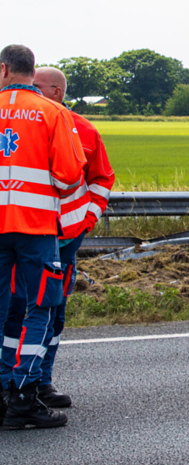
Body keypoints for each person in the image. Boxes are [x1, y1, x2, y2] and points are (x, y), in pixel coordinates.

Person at [1, 67, 114, 411]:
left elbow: (101, 179)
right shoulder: (37, 116)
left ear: (56, 92)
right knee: (21, 309)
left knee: (52, 312)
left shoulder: (83, 129)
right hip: (33, 231)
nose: (30, 91)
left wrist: (85, 220)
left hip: (62, 237)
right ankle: (16, 385)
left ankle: (40, 381)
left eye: (37, 86)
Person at [0, 45, 85, 430]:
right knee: (41, 308)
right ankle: (23, 394)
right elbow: (70, 176)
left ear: (4, 69)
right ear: (31, 72)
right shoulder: (53, 112)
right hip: (36, 227)